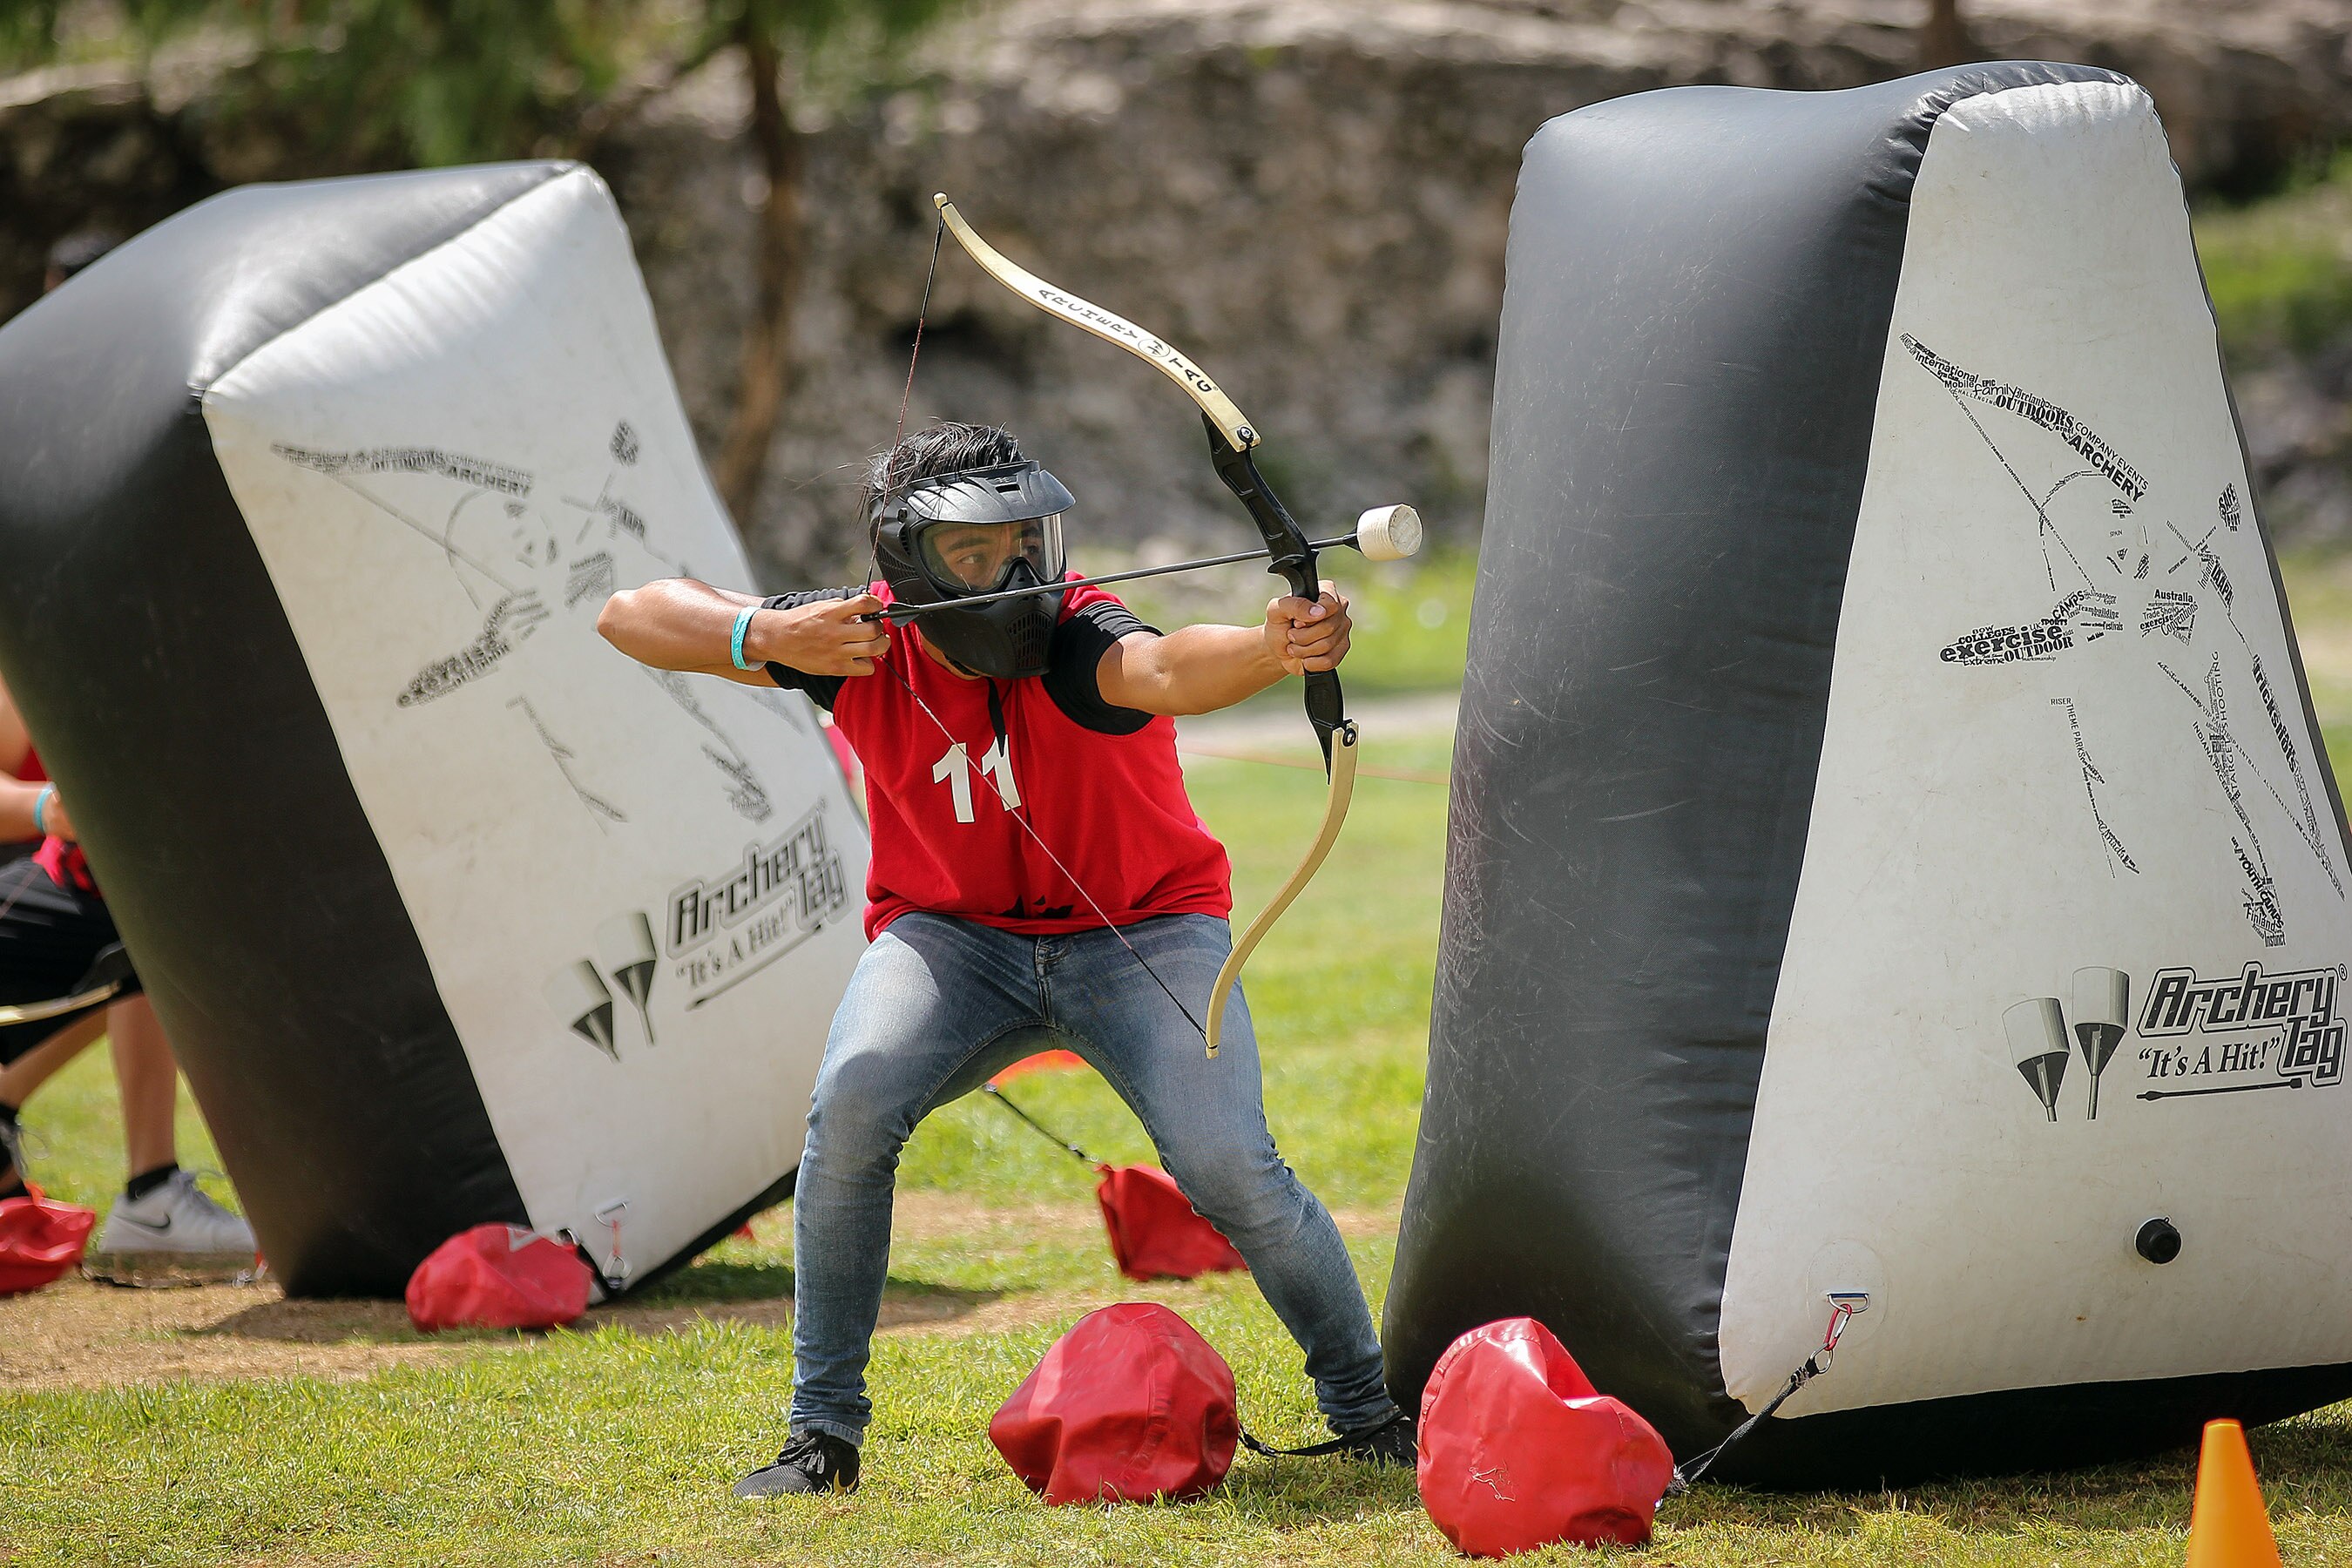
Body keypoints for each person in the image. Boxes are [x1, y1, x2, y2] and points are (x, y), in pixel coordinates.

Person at [599, 421, 1410, 1497]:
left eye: (1026, 541)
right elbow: (627, 614)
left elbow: (1163, 666)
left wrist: (1276, 648)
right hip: (952, 942)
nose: (1012, 573)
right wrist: (763, 634)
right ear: (906, 561)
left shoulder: (1079, 636)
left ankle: (1366, 1409)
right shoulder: (853, 644)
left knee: (1228, 1170)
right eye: (974, 554)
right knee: (850, 1109)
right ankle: (822, 1435)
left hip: (1146, 929)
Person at [0, 680, 258, 1283]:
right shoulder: (30, 650)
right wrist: (50, 808)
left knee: (160, 926)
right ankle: (152, 1194)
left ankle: (150, 1197)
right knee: (157, 925)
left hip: (91, 901)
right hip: (35, 892)